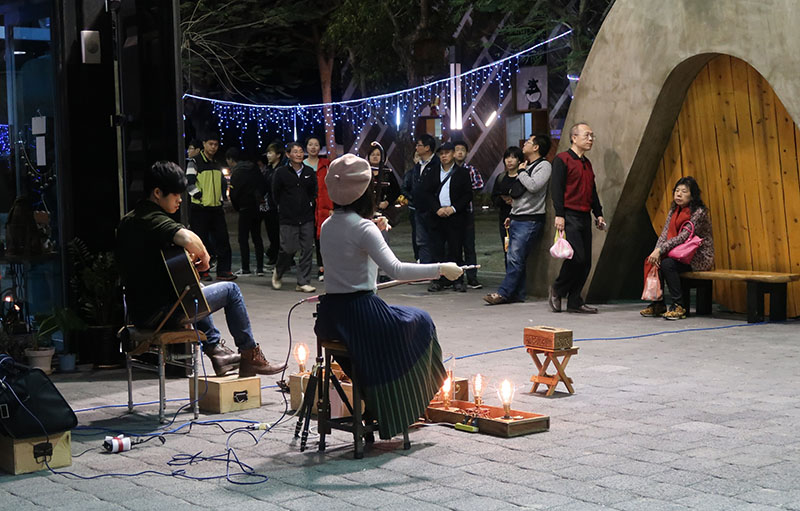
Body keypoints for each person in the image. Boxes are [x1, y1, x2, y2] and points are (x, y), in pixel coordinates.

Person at [314, 153, 463, 441]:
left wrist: (374, 229)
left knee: (407, 318)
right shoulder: (364, 227)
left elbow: (351, 252)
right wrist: (440, 269)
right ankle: (398, 405)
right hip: (361, 313)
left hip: (331, 315)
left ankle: (383, 405)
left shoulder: (327, 225)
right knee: (420, 320)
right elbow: (396, 269)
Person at [116, 161, 286, 377]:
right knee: (232, 291)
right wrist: (204, 258)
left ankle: (216, 351)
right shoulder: (152, 219)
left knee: (196, 288)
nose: (180, 199)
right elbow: (186, 237)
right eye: (175, 194)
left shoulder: (127, 221)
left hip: (138, 313)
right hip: (163, 313)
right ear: (157, 193)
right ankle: (250, 355)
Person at [484, 134, 552, 305]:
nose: (525, 144)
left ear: (536, 147)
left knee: (515, 256)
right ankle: (518, 293)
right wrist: (511, 214)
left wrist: (521, 172)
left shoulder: (544, 166)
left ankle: (503, 293)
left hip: (530, 218)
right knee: (514, 257)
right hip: (517, 216)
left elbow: (534, 186)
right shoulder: (527, 165)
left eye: (529, 142)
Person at [549, 122, 605, 314]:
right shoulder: (562, 160)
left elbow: (592, 191)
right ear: (574, 137)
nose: (590, 139)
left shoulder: (586, 163)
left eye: (592, 136)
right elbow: (556, 189)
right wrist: (559, 214)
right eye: (587, 135)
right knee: (577, 257)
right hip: (569, 214)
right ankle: (558, 288)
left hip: (584, 216)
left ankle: (575, 301)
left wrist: (598, 213)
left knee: (586, 261)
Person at [640, 176, 714, 320]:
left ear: (692, 196)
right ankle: (658, 304)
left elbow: (683, 237)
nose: (678, 194)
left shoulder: (698, 213)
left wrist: (660, 251)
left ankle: (678, 306)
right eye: (677, 191)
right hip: (679, 254)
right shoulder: (674, 210)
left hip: (698, 256)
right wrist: (656, 252)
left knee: (667, 264)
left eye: (684, 191)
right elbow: (664, 234)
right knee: (655, 261)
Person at [423, 141, 472, 293]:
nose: (444, 156)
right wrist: (436, 208)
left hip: (455, 217)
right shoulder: (432, 171)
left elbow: (467, 194)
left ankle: (457, 280)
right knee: (437, 250)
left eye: (447, 153)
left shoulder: (462, 173)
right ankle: (438, 280)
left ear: (453, 154)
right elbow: (426, 193)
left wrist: (453, 208)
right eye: (441, 153)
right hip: (436, 217)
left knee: (455, 249)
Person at [187, 134, 236, 281]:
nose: (213, 147)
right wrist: (200, 197)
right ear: (204, 144)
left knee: (223, 240)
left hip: (216, 208)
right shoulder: (195, 162)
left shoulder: (217, 162)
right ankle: (202, 271)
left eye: (215, 144)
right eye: (211, 144)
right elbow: (188, 182)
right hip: (200, 209)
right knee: (200, 241)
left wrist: (221, 199)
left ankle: (223, 270)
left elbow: (221, 182)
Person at [272, 142, 317, 292]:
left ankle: (303, 282)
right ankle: (278, 272)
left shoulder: (309, 172)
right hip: (288, 217)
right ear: (288, 154)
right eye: (295, 152)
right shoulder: (281, 172)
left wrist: (309, 204)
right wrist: (284, 207)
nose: (298, 154)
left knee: (307, 249)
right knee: (288, 249)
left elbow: (313, 193)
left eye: (300, 151)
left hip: (306, 217)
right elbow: (275, 194)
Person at [227, 148, 266, 276]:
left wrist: (237, 206)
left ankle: (245, 268)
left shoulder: (237, 172)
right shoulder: (254, 168)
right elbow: (263, 185)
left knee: (243, 238)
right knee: (257, 237)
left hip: (244, 208)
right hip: (256, 207)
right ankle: (260, 268)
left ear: (230, 160)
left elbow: (234, 193)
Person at [453, 140, 485, 289]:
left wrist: (464, 190)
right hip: (452, 213)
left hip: (467, 212)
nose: (460, 152)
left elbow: (479, 185)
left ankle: (472, 277)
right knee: (455, 246)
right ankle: (457, 277)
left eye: (462, 150)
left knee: (469, 245)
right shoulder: (448, 170)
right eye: (457, 150)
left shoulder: (470, 170)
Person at [407, 134, 440, 264]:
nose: (416, 148)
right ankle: (425, 270)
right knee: (421, 241)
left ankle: (436, 271)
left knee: (435, 240)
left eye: (419, 145)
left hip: (432, 210)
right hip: (418, 209)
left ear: (427, 148)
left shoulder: (437, 164)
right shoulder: (418, 166)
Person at [304, 136, 332, 282]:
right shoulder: (300, 165)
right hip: (306, 207)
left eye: (316, 144)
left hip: (324, 207)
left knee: (323, 239)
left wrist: (332, 206)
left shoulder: (326, 165)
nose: (313, 147)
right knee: (307, 239)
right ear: (306, 147)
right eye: (310, 144)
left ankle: (323, 268)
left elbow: (331, 187)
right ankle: (304, 271)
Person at [491, 146, 523, 264]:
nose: (509, 160)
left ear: (519, 160)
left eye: (513, 158)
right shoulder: (501, 177)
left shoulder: (522, 177)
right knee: (507, 250)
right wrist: (503, 200)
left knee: (519, 251)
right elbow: (493, 197)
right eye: (507, 158)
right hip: (504, 219)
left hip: (520, 218)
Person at [259, 143, 283, 266]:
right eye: (268, 153)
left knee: (277, 233)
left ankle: (276, 257)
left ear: (278, 155)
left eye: (270, 153)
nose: (268, 155)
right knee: (271, 233)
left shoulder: (281, 170)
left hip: (277, 206)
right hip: (268, 206)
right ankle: (274, 254)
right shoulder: (268, 170)